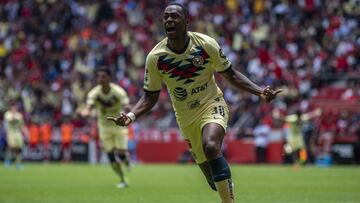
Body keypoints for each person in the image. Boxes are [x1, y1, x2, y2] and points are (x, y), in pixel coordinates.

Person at [108, 2, 281, 202]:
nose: (169, 20)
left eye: (174, 16)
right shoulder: (156, 57)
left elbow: (230, 74)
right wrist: (130, 116)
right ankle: (224, 183)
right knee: (213, 181)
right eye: (166, 17)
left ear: (187, 22)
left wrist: (259, 91)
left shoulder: (206, 44)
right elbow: (150, 96)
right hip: (186, 117)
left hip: (211, 104)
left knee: (211, 146)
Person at [80, 68, 131, 188]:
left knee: (120, 152)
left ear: (109, 78)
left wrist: (128, 111)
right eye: (98, 77)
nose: (100, 79)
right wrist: (85, 112)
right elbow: (89, 106)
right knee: (110, 155)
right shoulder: (94, 93)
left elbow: (126, 104)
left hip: (119, 125)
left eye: (103, 76)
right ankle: (122, 179)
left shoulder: (118, 91)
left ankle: (126, 160)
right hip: (104, 126)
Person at [3, 102, 28, 169]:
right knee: (11, 147)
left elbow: (22, 125)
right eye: (13, 107)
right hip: (11, 132)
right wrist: (14, 115)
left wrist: (26, 131)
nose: (14, 108)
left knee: (19, 148)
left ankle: (18, 163)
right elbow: (10, 120)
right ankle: (7, 161)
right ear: (11, 107)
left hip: (18, 133)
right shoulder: (8, 114)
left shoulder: (19, 115)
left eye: (15, 107)